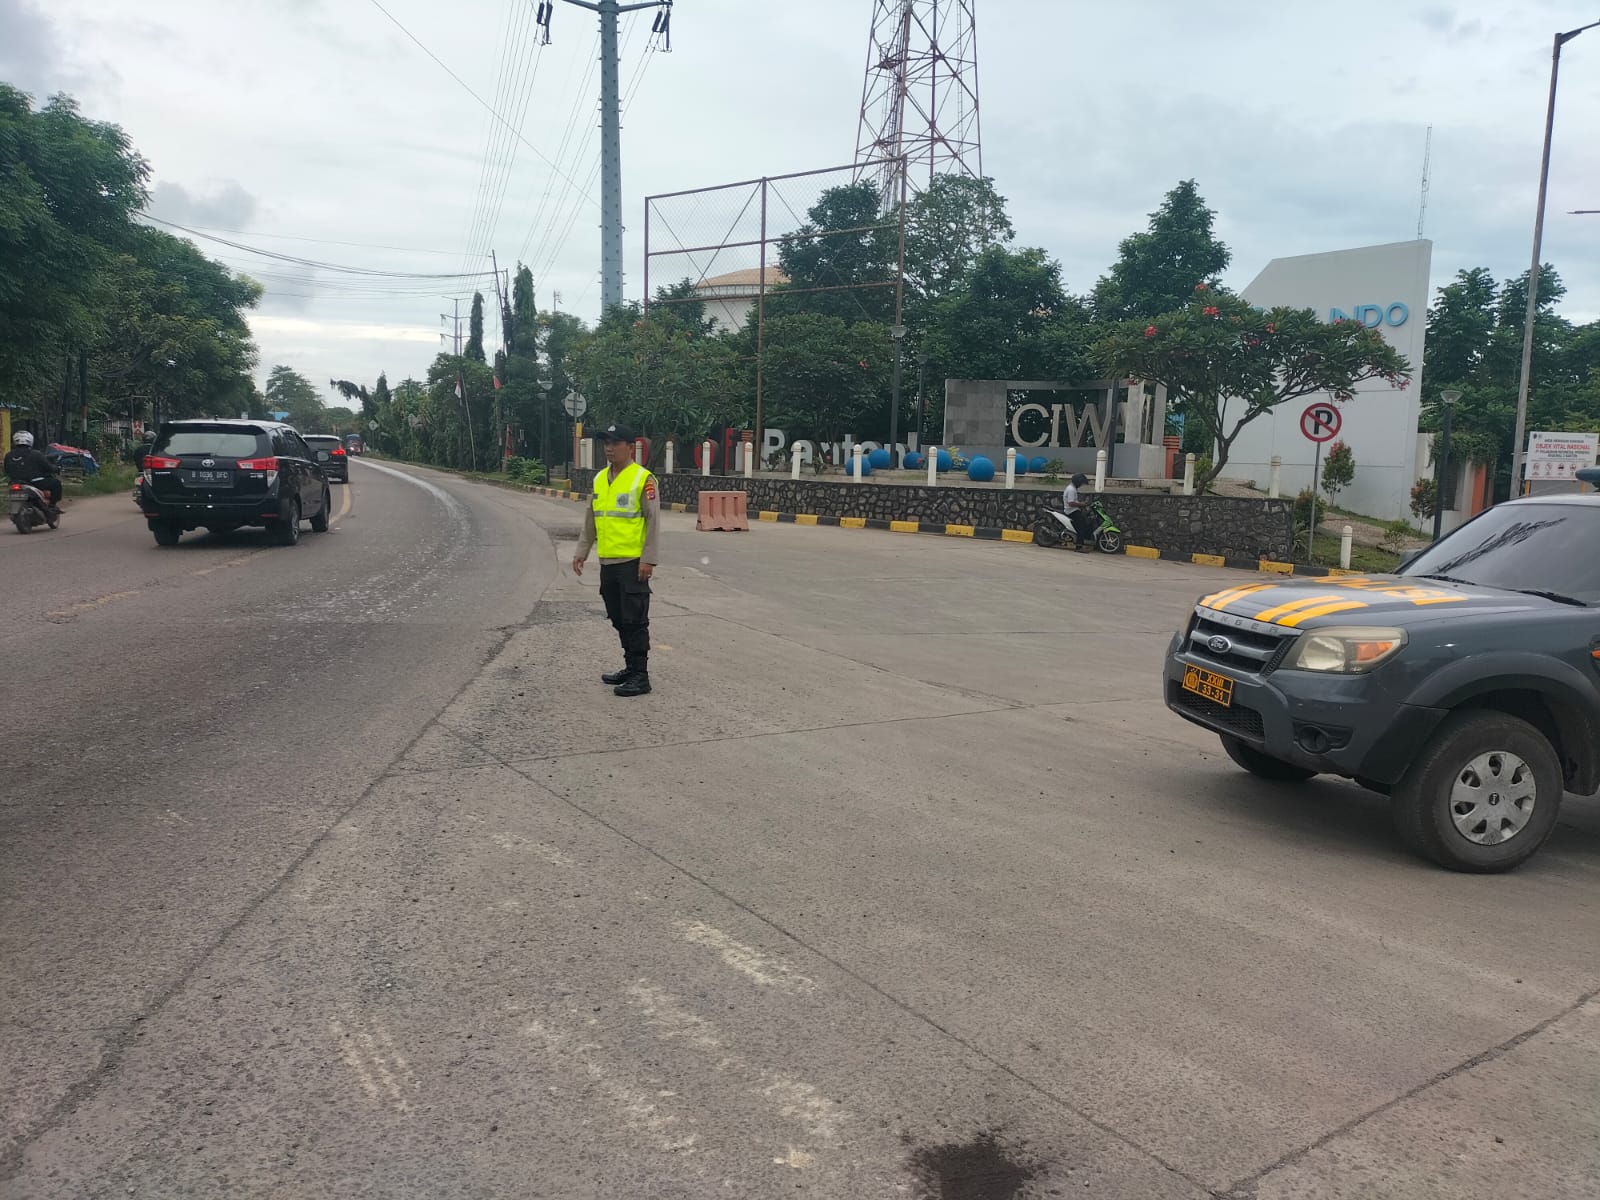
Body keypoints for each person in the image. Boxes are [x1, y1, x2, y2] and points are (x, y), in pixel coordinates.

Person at [572, 423, 659, 697]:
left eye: (615, 443)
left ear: (630, 447)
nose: (609, 448)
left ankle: (641, 676)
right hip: (608, 561)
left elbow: (653, 520)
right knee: (618, 616)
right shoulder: (600, 479)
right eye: (606, 443)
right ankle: (630, 667)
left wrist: (649, 559)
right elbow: (591, 518)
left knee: (635, 619)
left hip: (633, 562)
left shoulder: (643, 479)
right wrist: (582, 551)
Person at [4, 431, 62, 510]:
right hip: (34, 482)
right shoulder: (36, 454)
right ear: (30, 441)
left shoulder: (8, 455)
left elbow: (6, 470)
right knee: (56, 483)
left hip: (15, 482)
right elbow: (48, 467)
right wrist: (56, 468)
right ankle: (52, 505)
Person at [1063, 472, 1094, 551]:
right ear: (1078, 482)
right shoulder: (1071, 489)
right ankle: (1079, 546)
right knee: (1081, 526)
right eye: (1081, 483)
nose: (1080, 485)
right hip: (1071, 511)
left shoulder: (1072, 488)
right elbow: (1071, 503)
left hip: (1073, 510)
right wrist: (1081, 504)